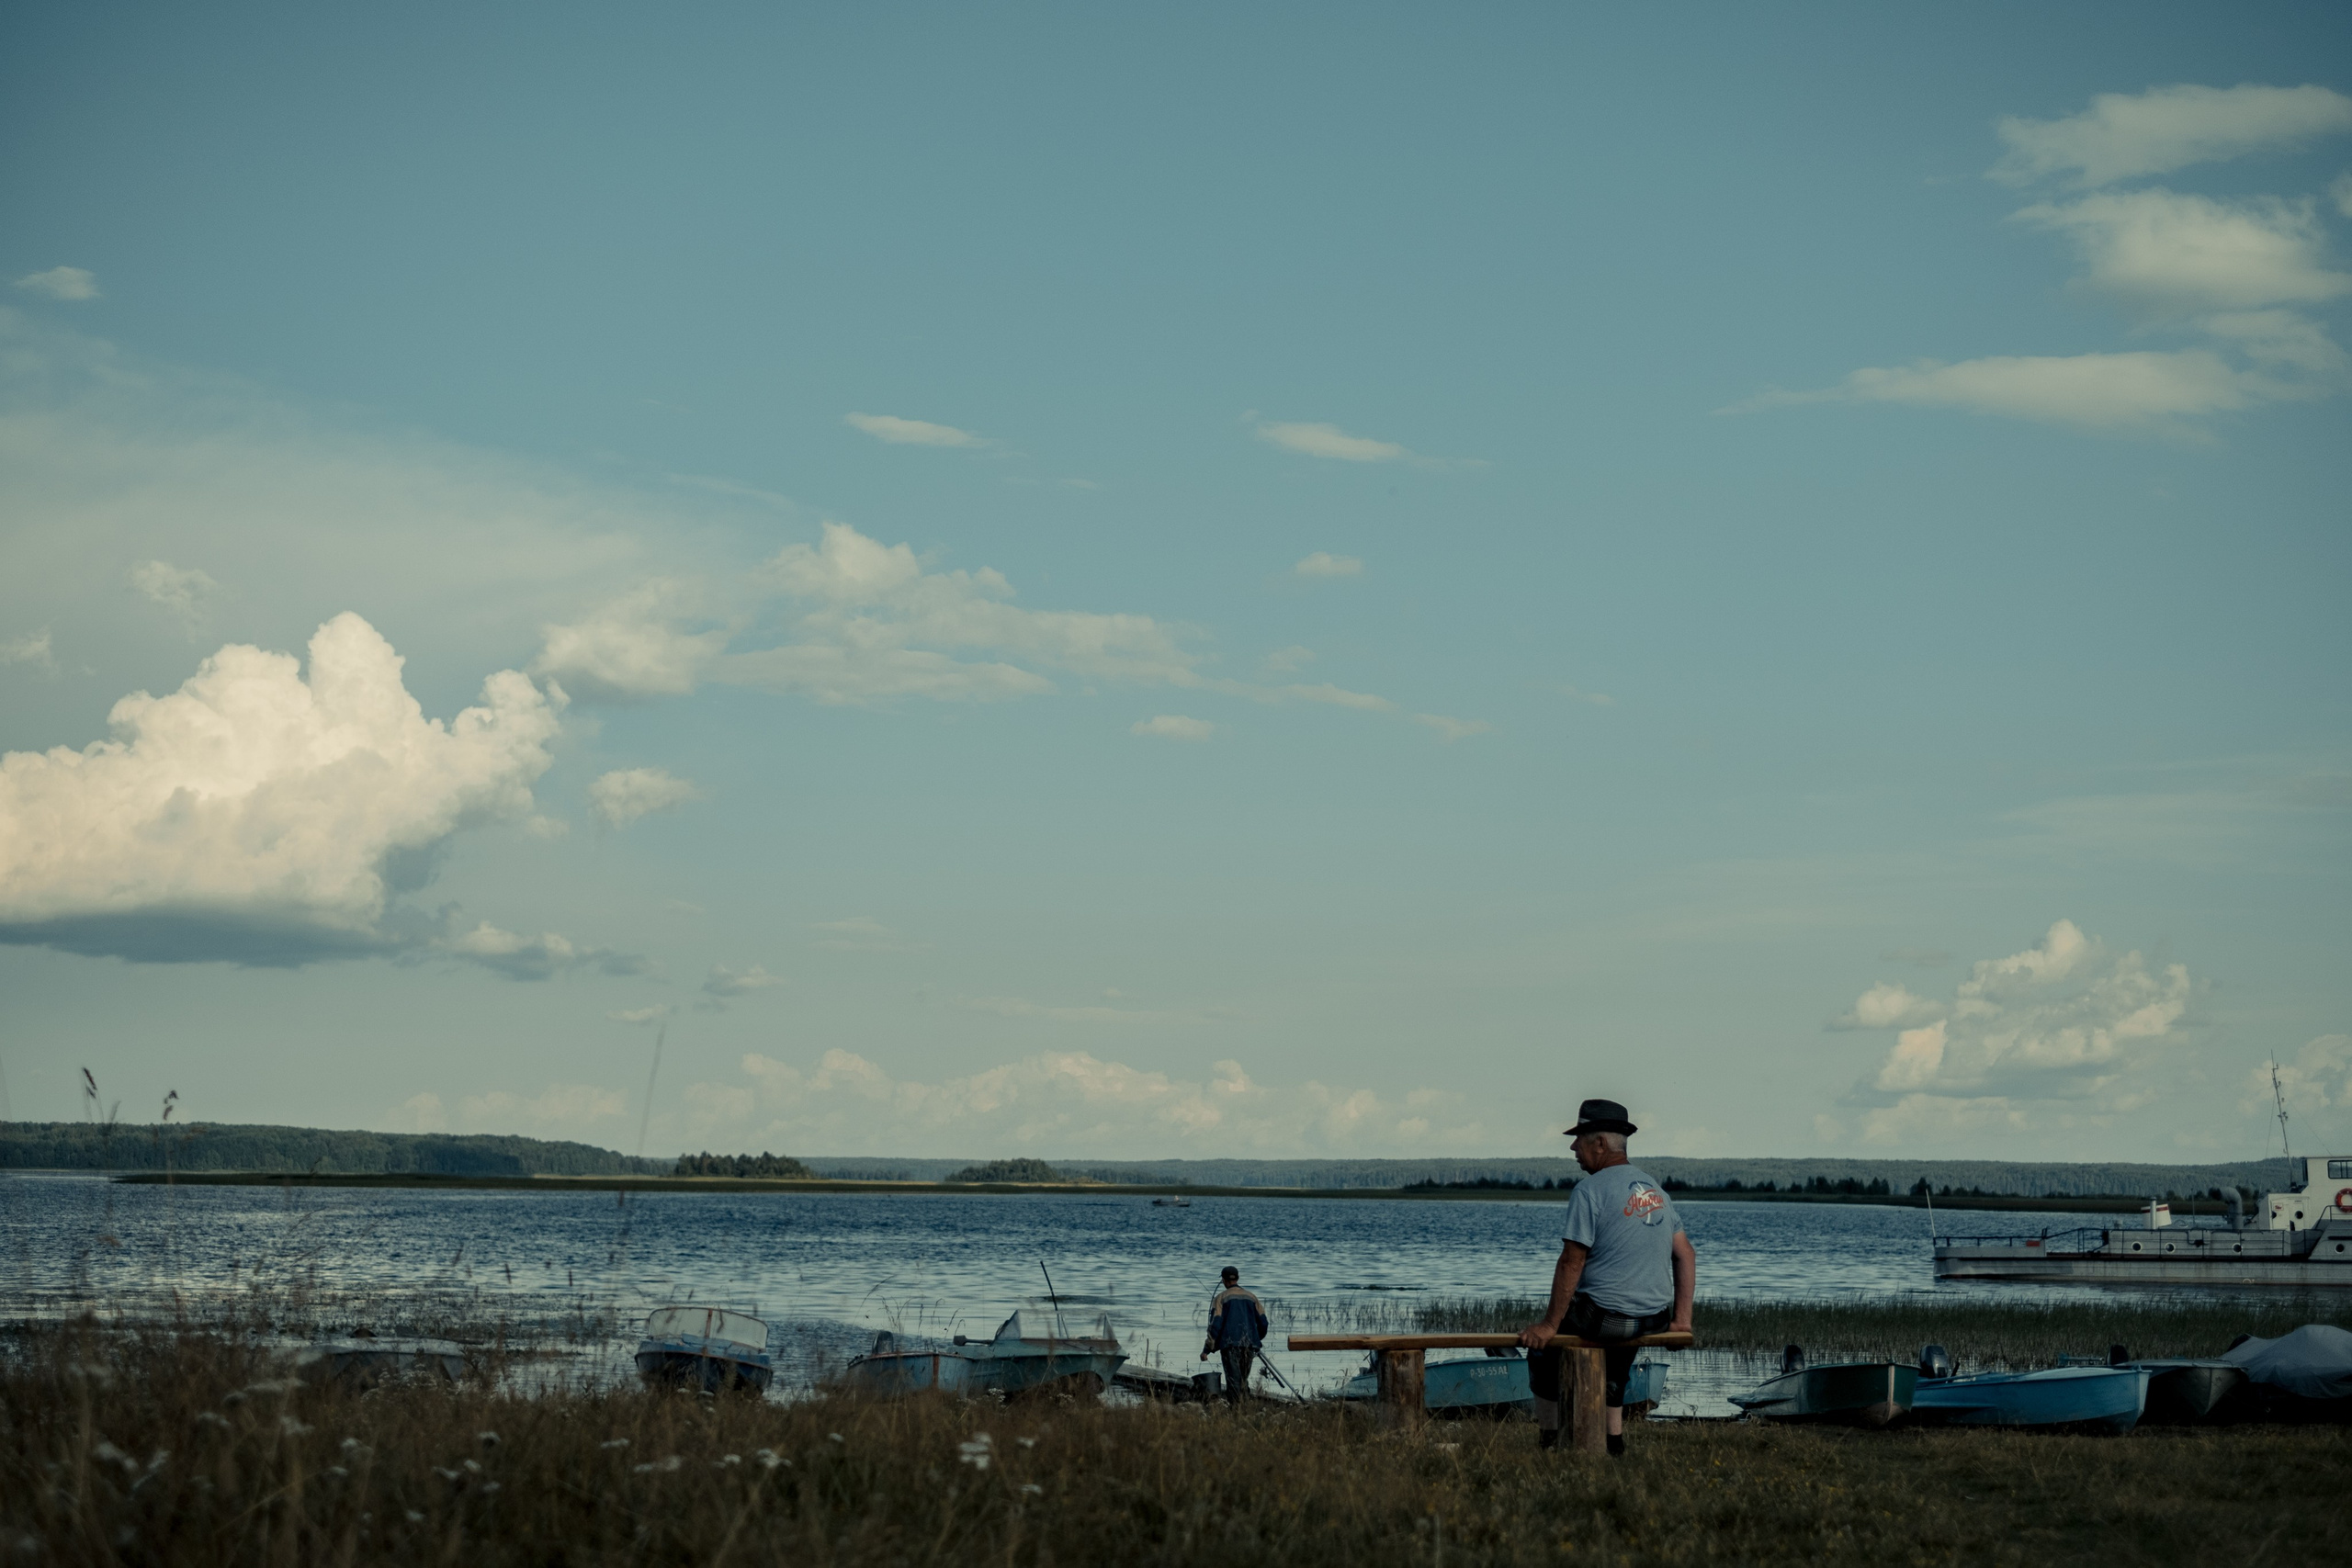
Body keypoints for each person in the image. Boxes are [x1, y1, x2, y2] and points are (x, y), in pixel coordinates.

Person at [1516, 1098, 1695, 1457]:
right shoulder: (1655, 1190)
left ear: (1600, 1144)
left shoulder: (1589, 1191)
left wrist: (1550, 1326)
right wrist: (1681, 1321)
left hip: (1606, 1319)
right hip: (1654, 1318)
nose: (1572, 1147)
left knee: (1541, 1351)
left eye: (1579, 1138)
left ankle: (1550, 1441)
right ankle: (1614, 1443)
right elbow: (1686, 1254)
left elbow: (1571, 1261)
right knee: (1618, 1341)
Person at [1199, 1265, 1269, 1405]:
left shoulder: (1220, 1298)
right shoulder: (1252, 1297)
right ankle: (1245, 1409)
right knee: (1243, 1380)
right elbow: (1264, 1323)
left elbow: (1215, 1325)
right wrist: (1255, 1339)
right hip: (1249, 1345)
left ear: (1224, 1280)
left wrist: (1207, 1349)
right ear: (1237, 1278)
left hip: (1230, 1346)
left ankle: (1236, 1412)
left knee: (1233, 1381)